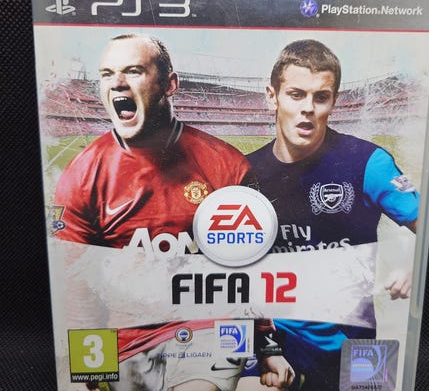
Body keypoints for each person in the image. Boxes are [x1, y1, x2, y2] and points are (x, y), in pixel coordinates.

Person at [52, 34, 294, 391]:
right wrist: (89, 365)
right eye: (107, 74)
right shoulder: (82, 175)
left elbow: (248, 267)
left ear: (170, 84)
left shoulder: (225, 165)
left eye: (134, 71)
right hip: (127, 339)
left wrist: (267, 345)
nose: (117, 82)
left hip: (212, 327)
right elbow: (78, 284)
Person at [242, 39, 418, 390]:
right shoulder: (244, 173)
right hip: (275, 343)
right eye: (296, 95)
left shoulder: (368, 162)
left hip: (356, 343)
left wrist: (418, 268)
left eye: (320, 97)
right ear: (272, 97)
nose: (308, 108)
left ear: (333, 101)